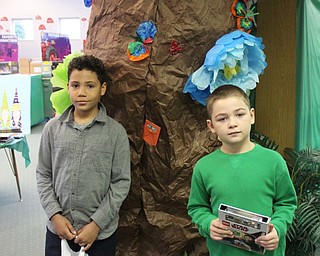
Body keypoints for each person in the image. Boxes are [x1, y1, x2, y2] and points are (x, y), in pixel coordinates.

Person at [36, 55, 131, 256]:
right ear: (68, 87)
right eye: (75, 85)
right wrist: (54, 215)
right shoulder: (52, 129)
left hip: (99, 234)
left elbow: (121, 182)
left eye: (90, 86)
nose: (81, 92)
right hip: (58, 230)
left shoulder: (116, 133)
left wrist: (96, 224)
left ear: (102, 89)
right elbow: (43, 174)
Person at [187, 84, 297, 256]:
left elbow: (286, 203)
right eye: (222, 118)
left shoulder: (273, 161)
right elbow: (197, 207)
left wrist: (279, 227)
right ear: (211, 126)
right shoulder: (204, 167)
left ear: (251, 115)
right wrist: (208, 224)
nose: (232, 123)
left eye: (239, 114)